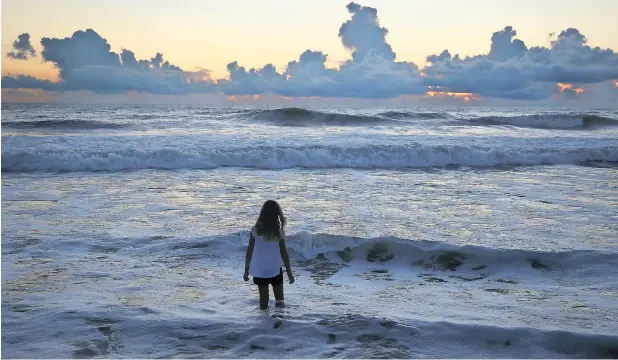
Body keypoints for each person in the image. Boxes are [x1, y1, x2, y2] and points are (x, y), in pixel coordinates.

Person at [243, 200, 295, 309]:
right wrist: (289, 273)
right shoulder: (279, 233)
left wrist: (246, 270)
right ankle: (279, 323)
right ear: (277, 214)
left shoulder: (255, 231)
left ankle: (264, 324)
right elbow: (284, 253)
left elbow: (249, 252)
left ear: (262, 214)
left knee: (263, 304)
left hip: (260, 270)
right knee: (280, 302)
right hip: (275, 269)